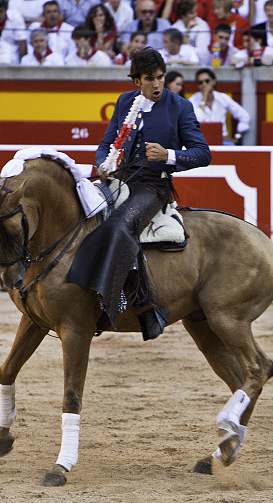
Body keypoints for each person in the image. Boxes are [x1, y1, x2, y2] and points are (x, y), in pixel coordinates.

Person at [67, 47, 211, 340]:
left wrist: (168, 155)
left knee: (121, 225)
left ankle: (130, 300)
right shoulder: (124, 102)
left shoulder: (180, 107)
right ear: (137, 81)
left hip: (152, 185)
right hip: (117, 181)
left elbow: (203, 153)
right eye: (150, 79)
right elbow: (107, 143)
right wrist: (102, 165)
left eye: (161, 77)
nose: (157, 84)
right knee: (78, 216)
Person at [189, 67, 250, 143]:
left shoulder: (222, 97)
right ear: (198, 85)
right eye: (200, 82)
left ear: (213, 82)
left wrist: (238, 136)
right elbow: (197, 120)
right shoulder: (193, 100)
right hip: (201, 142)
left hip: (222, 141)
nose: (204, 84)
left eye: (207, 81)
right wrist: (204, 97)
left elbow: (244, 116)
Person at [171, 0, 210, 64]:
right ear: (183, 15)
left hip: (200, 64)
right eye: (191, 13)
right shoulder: (174, 28)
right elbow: (174, 52)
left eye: (195, 11)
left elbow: (203, 52)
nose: (196, 15)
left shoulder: (202, 24)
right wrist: (187, 31)